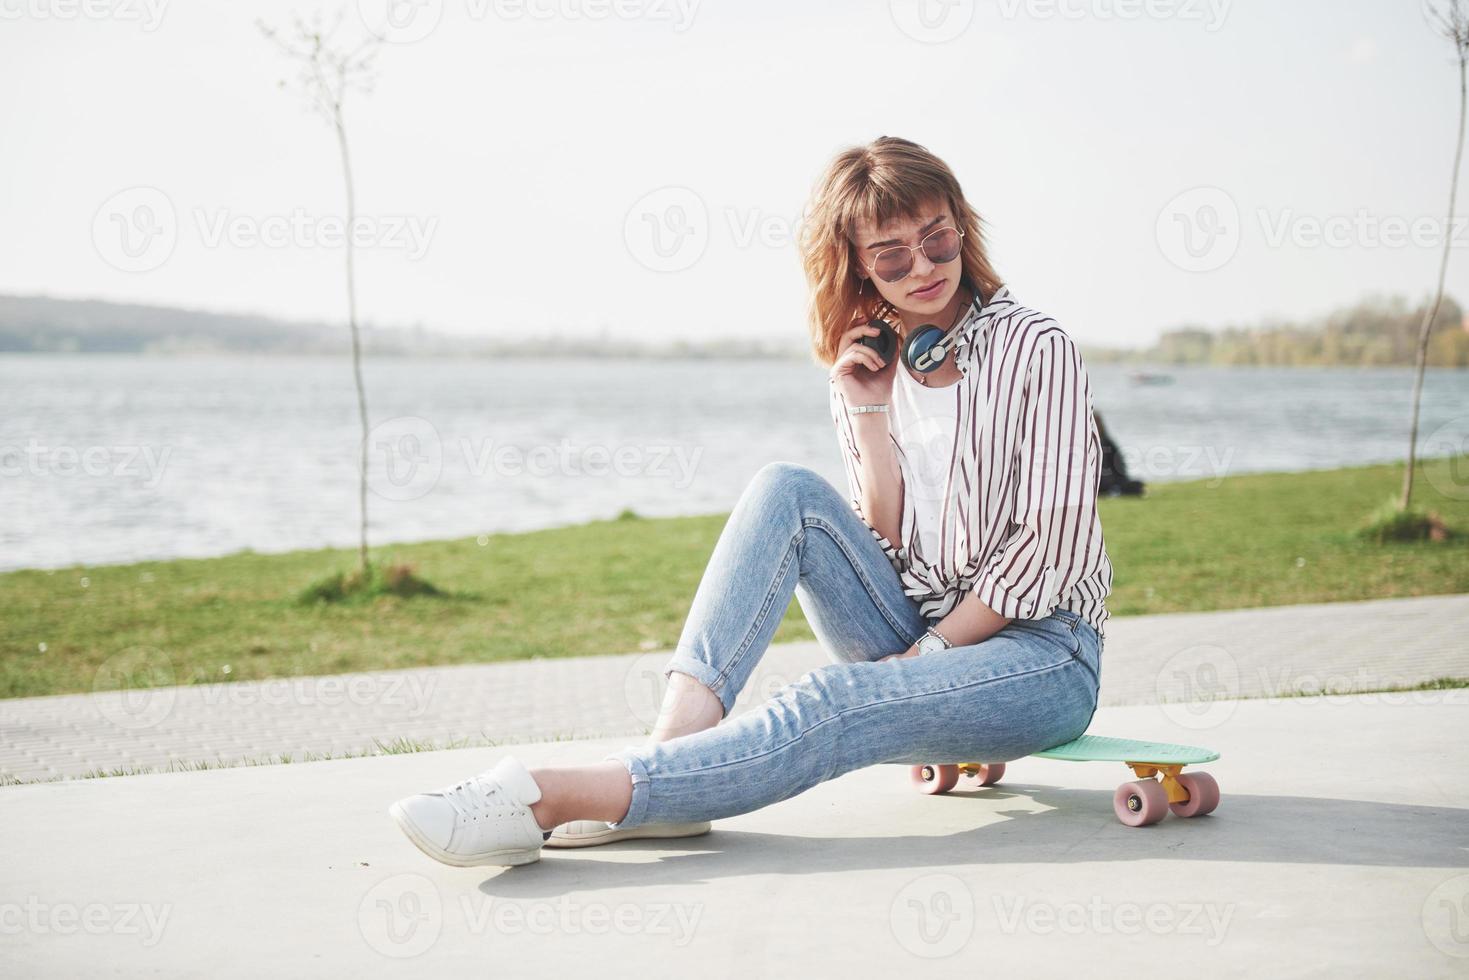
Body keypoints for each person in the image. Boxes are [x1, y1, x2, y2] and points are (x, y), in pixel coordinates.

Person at [388, 136, 1114, 868]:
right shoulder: (871, 363)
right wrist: (869, 412)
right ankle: (669, 764)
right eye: (891, 255)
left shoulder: (1036, 348)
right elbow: (884, 543)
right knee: (783, 489)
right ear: (858, 264)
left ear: (961, 227)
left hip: (1039, 653)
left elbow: (1044, 548)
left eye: (936, 239)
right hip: (914, 627)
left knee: (837, 697)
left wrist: (921, 659)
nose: (923, 267)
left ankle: (551, 795)